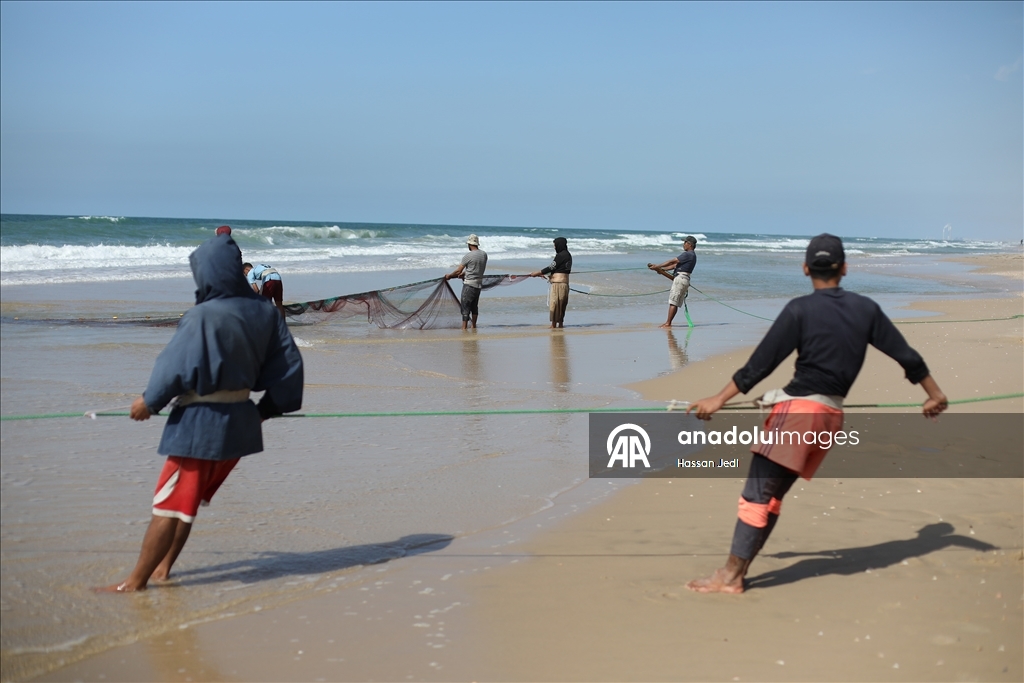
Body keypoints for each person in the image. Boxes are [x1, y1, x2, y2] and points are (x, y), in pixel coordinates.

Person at [685, 233, 948, 594]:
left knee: (757, 495)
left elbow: (759, 365)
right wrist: (934, 395)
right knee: (771, 497)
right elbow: (908, 357)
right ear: (844, 268)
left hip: (798, 413)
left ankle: (730, 576)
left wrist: (718, 399)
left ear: (806, 268)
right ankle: (737, 571)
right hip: (829, 418)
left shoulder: (799, 310)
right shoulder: (866, 309)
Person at [95, 234, 304, 593]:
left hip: (199, 427)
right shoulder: (267, 314)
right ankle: (162, 571)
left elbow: (173, 369)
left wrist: (149, 402)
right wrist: (262, 412)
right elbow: (290, 373)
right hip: (240, 428)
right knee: (186, 506)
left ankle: (134, 584)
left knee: (168, 506)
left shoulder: (201, 315)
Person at [648, 235, 697, 328]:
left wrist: (657, 266)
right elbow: (674, 266)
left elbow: (672, 261)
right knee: (675, 302)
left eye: (685, 242)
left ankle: (668, 323)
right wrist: (661, 269)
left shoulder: (687, 254)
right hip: (685, 279)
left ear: (689, 244)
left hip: (680, 279)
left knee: (673, 302)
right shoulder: (693, 256)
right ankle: (668, 322)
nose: (683, 244)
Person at [444, 234, 488, 330]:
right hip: (478, 285)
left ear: (469, 244)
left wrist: (449, 276)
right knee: (474, 306)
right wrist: (465, 273)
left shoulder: (468, 256)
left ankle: (464, 328)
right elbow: (476, 268)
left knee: (465, 307)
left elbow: (458, 271)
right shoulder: (484, 255)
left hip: (469, 285)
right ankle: (473, 326)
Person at [530, 237, 572, 328]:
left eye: (555, 245)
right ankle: (560, 324)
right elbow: (559, 269)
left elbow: (551, 267)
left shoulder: (560, 255)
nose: (554, 247)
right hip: (565, 284)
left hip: (558, 284)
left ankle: (553, 325)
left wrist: (537, 273)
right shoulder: (568, 255)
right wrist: (544, 274)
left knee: (554, 304)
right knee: (562, 304)